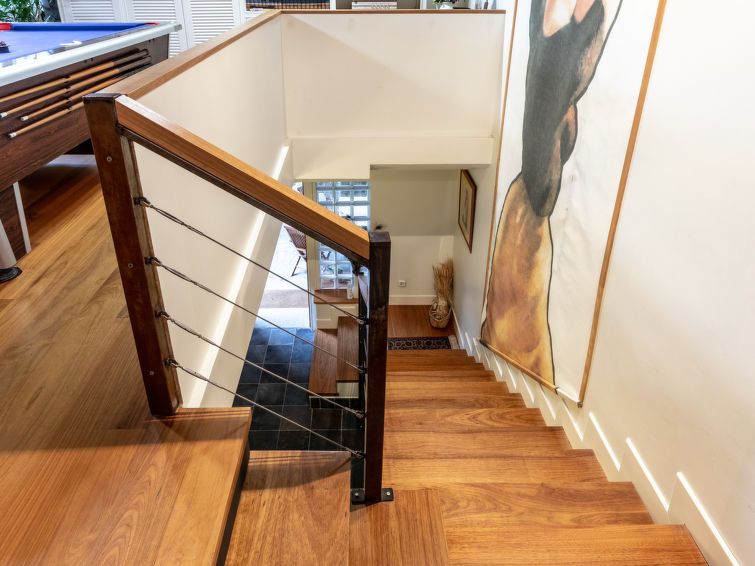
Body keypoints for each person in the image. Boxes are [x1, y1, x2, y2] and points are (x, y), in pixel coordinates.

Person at [482, 0, 620, 383]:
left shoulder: (580, 26)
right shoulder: (548, 22)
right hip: (526, 203)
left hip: (530, 206)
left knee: (521, 308)